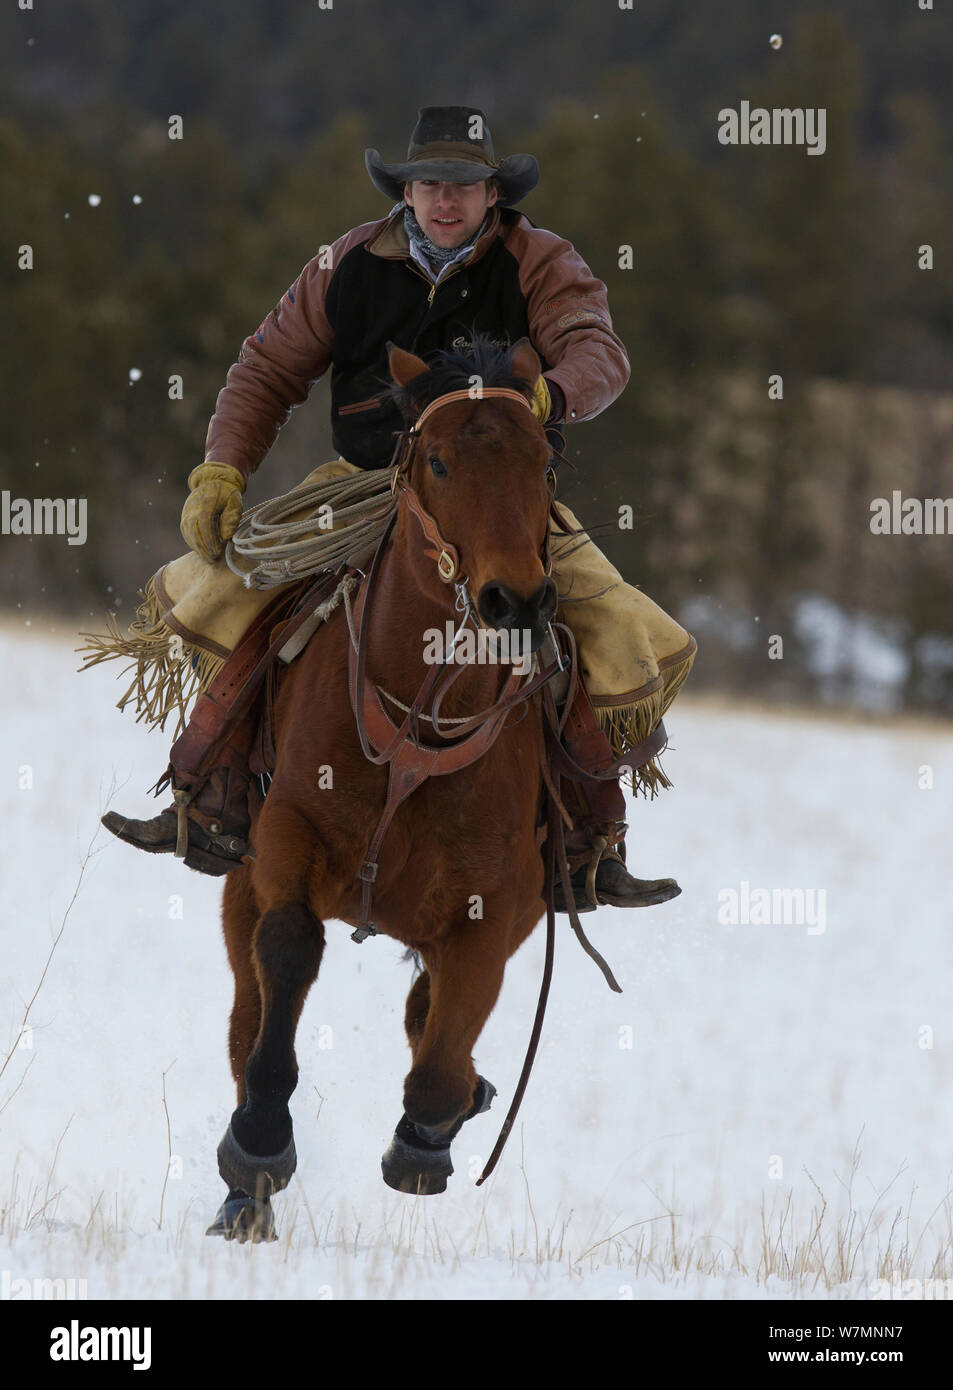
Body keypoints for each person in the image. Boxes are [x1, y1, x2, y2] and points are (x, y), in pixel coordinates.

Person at [100, 106, 696, 911]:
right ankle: (208, 795)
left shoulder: (540, 259)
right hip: (364, 478)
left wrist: (551, 393)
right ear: (405, 191)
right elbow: (269, 366)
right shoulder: (345, 261)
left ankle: (588, 842)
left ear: (493, 194)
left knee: (605, 622)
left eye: (463, 185)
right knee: (242, 589)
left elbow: (599, 350)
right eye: (428, 184)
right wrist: (221, 470)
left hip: (495, 496)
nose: (445, 201)